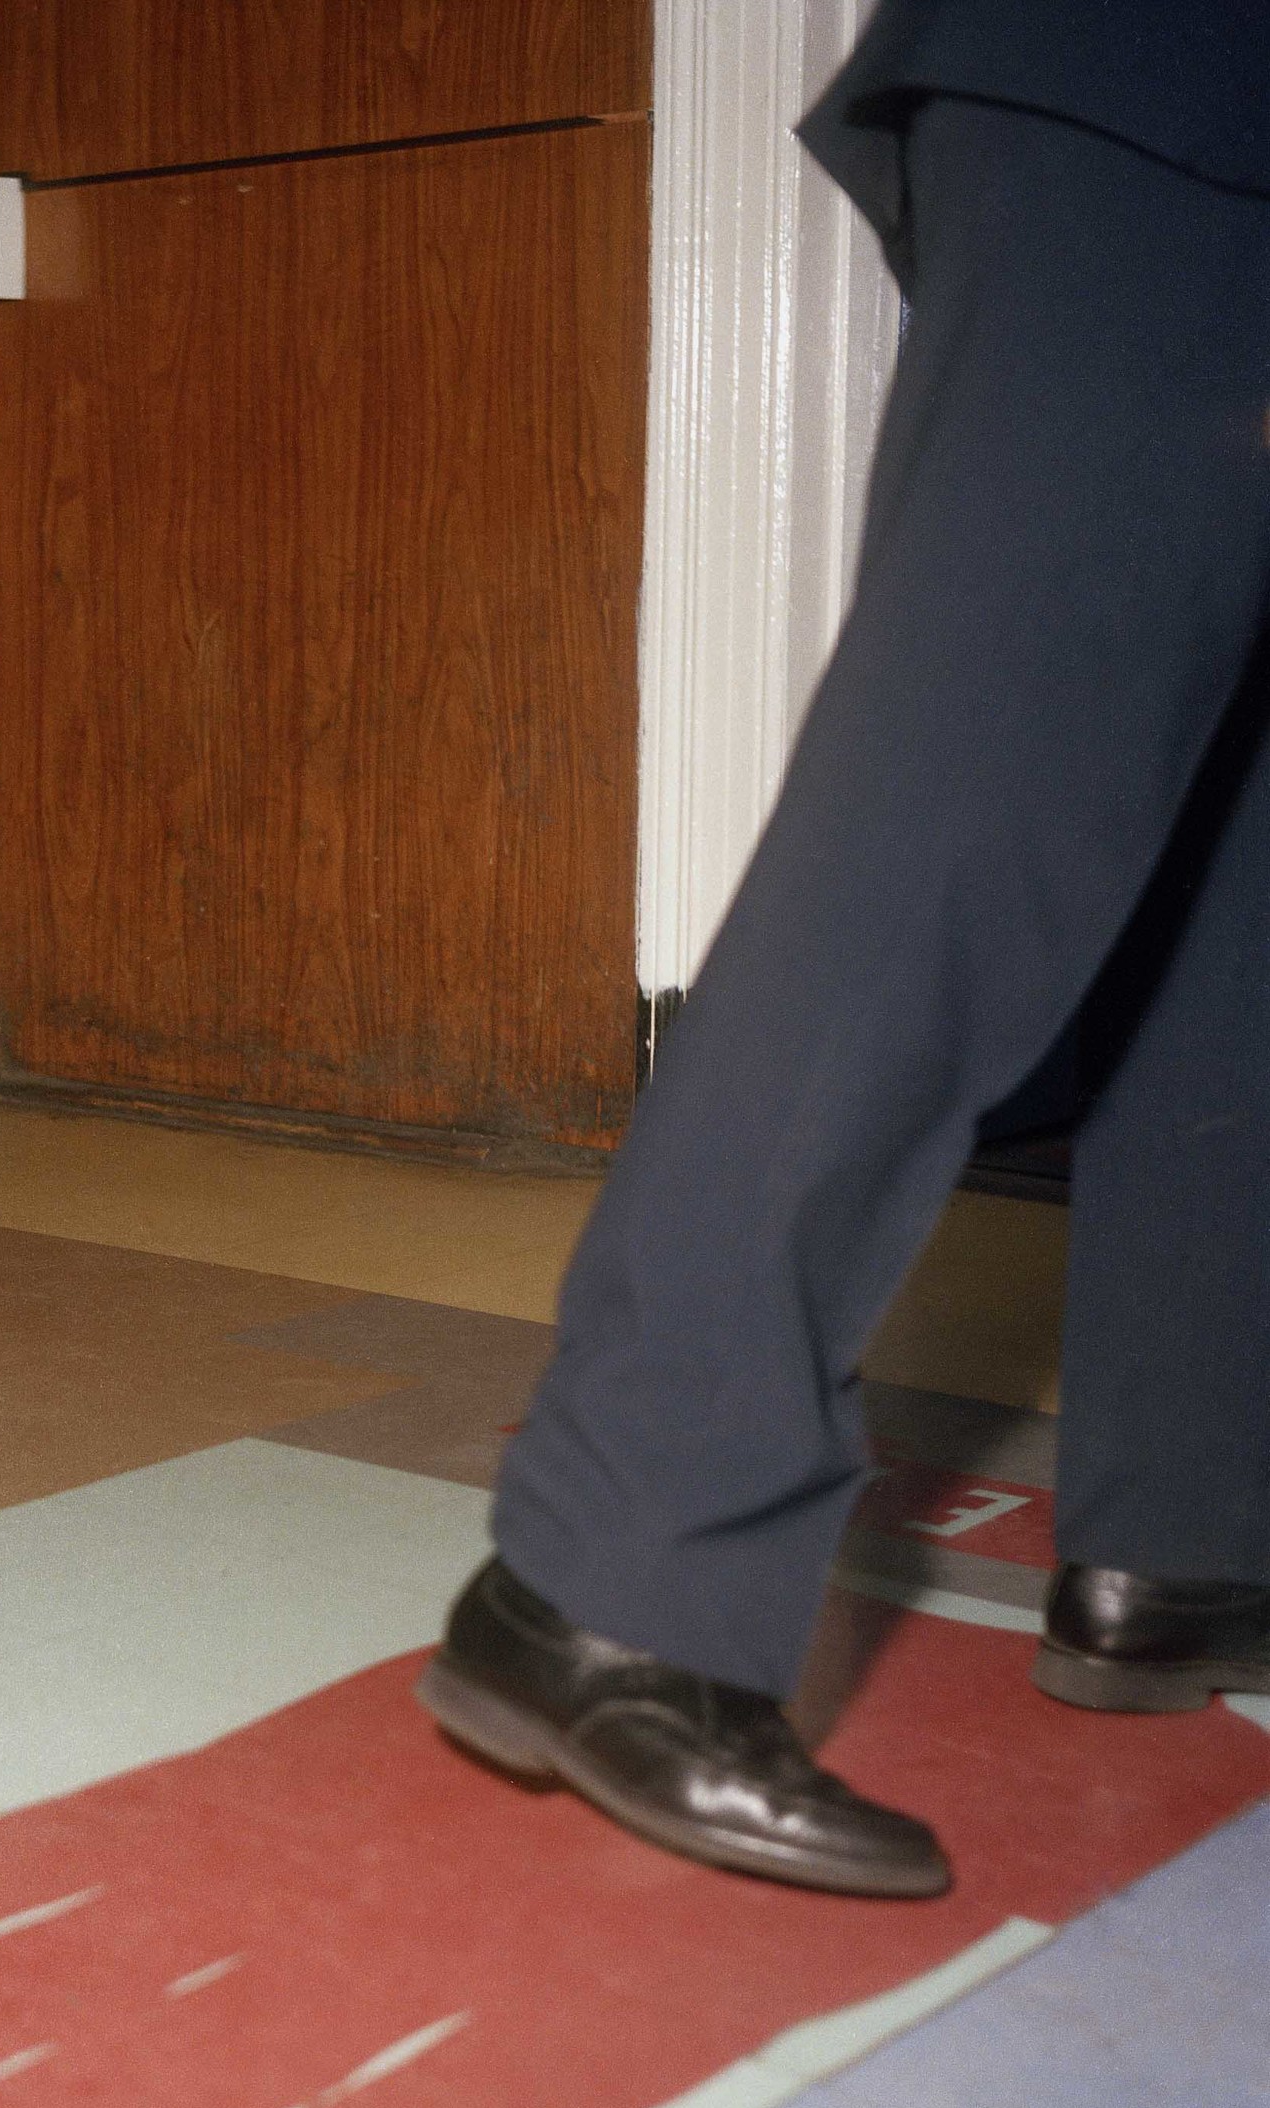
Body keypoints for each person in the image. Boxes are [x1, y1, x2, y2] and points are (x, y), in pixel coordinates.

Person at [419, 0, 1270, 1898]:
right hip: (1174, 74)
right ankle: (616, 1568)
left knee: (1232, 841)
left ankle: (1193, 1535)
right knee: (984, 764)